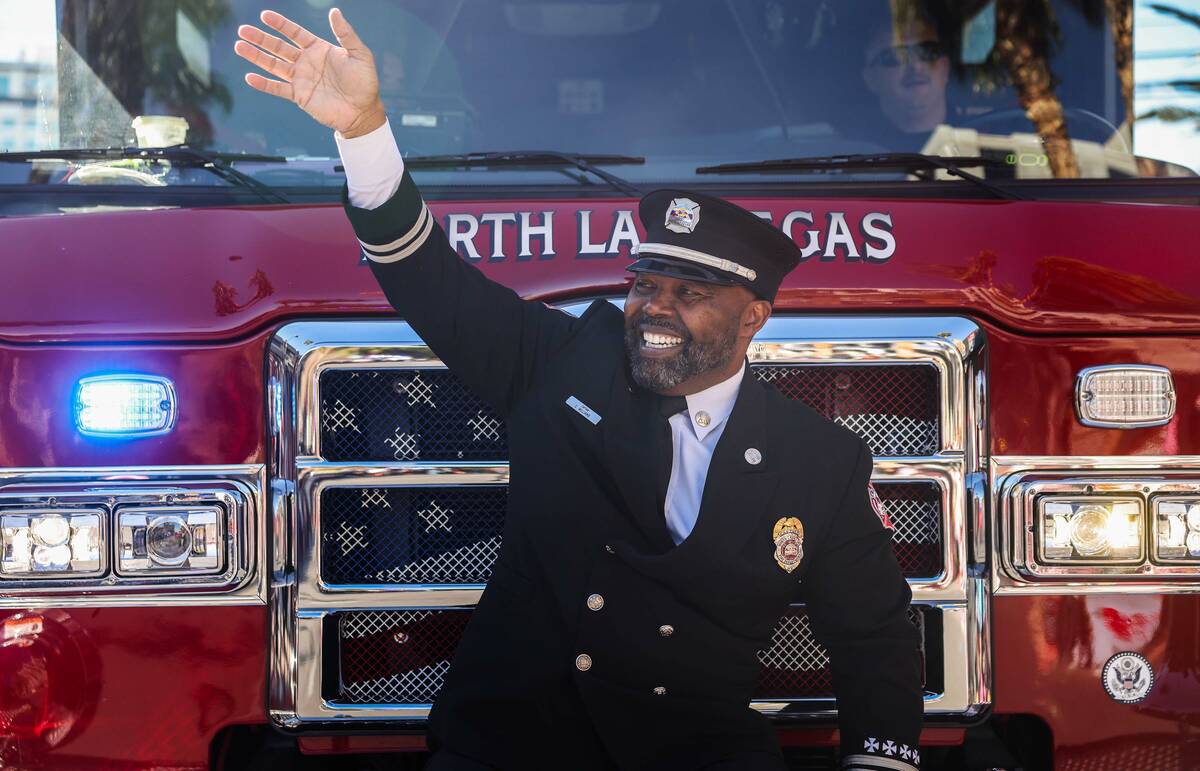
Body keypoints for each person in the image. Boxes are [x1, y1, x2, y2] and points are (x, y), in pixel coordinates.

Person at [235, 8, 923, 770]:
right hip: (512, 752)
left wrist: (879, 762)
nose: (655, 307)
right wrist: (363, 128)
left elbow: (875, 634)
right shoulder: (561, 362)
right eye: (645, 284)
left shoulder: (818, 461)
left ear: (754, 316)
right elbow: (422, 274)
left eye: (689, 291)